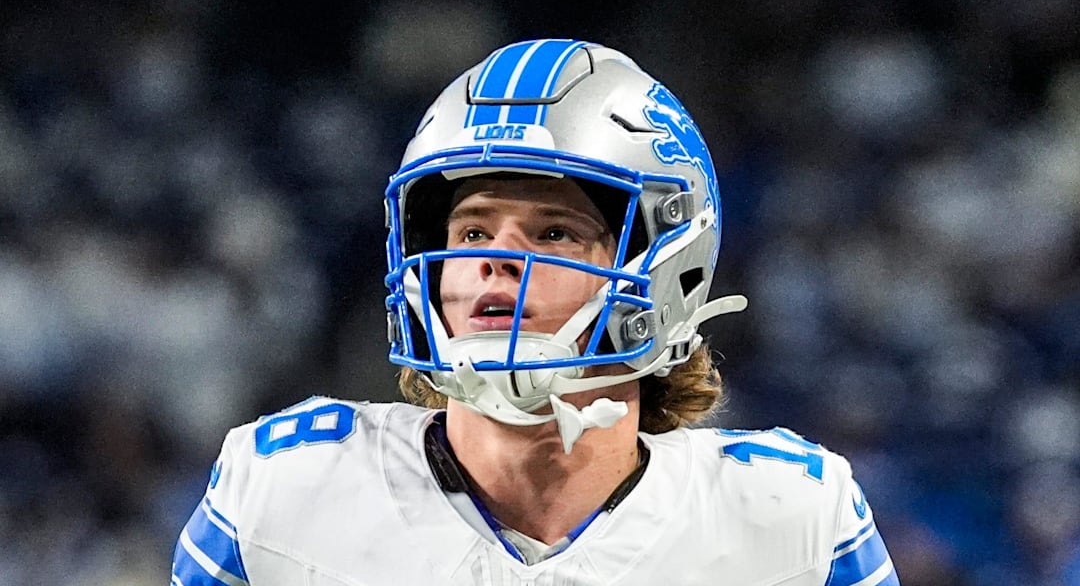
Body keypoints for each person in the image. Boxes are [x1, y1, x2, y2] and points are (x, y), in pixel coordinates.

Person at [170, 39, 899, 585]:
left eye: (553, 233)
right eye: (471, 232)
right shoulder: (284, 492)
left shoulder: (790, 521)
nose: (498, 259)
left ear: (665, 272)